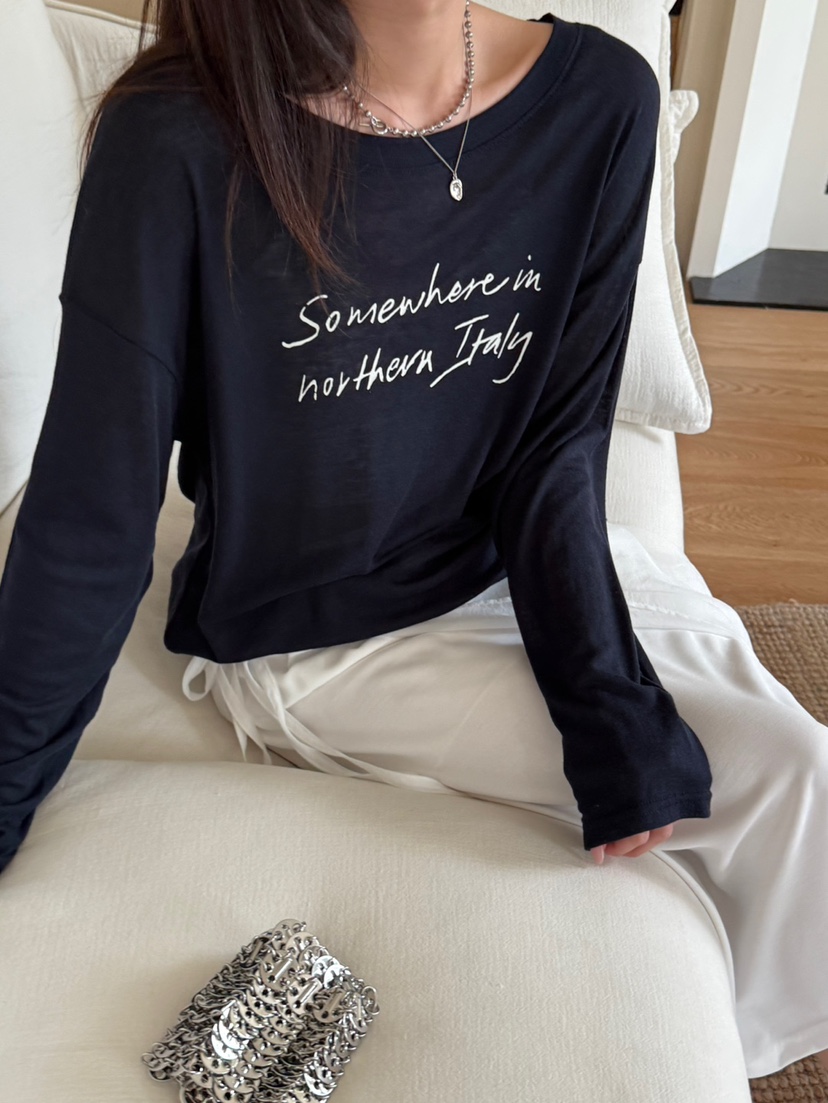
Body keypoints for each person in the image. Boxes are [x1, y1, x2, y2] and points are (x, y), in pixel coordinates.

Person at [0, 0, 825, 1081]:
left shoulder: (602, 99)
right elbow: (90, 519)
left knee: (798, 774)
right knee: (765, 783)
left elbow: (557, 446)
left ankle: (743, 1057)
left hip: (510, 569)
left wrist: (605, 699)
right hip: (314, 635)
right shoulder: (177, 135)